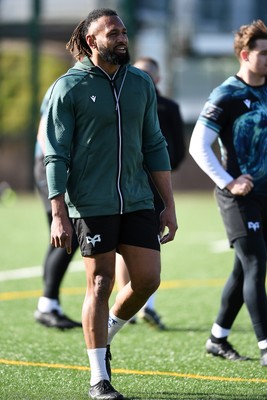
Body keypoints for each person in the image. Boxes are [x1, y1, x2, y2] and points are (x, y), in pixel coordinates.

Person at [44, 8, 177, 400]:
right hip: (90, 202)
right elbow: (56, 155)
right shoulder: (67, 87)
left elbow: (154, 143)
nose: (122, 38)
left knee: (148, 279)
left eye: (123, 32)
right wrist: (58, 213)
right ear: (92, 41)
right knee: (100, 282)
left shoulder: (140, 83)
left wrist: (167, 204)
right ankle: (98, 378)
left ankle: (107, 334)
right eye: (113, 33)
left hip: (137, 198)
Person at [189, 19, 267, 367]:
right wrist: (229, 181)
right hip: (238, 197)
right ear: (245, 54)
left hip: (265, 194)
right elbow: (198, 145)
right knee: (255, 263)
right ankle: (266, 347)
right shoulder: (226, 94)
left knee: (243, 267)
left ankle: (217, 337)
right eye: (264, 54)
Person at [116, 57, 185, 329]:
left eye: (148, 74)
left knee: (148, 243)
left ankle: (145, 306)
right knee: (125, 246)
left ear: (157, 79)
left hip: (154, 185)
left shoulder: (168, 107)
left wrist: (160, 168)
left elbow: (177, 151)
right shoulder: (121, 100)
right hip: (125, 183)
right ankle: (129, 307)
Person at [33, 86, 81, 329]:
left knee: (60, 238)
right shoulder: (65, 85)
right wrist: (56, 163)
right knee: (65, 234)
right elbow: (45, 131)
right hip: (51, 165)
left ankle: (49, 304)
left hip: (58, 165)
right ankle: (47, 304)